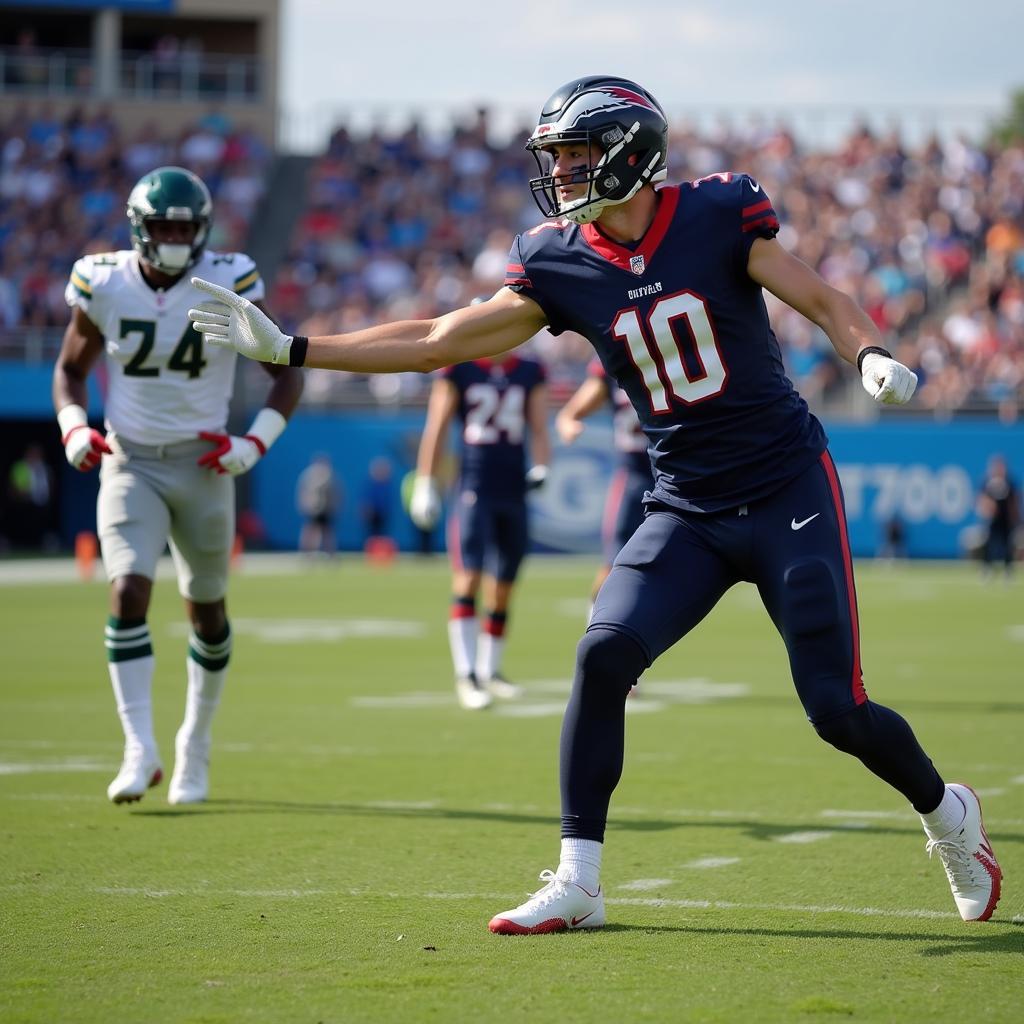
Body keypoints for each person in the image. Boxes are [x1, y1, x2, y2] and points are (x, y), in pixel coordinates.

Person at [187, 76, 1002, 928]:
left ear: (631, 152)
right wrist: (294, 346)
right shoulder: (559, 259)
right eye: (559, 158)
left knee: (838, 710)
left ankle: (948, 816)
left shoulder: (719, 212)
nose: (564, 174)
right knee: (602, 652)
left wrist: (867, 350)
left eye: (577, 154)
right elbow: (437, 341)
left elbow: (823, 298)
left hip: (783, 486)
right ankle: (579, 880)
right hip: (686, 504)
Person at [54, 166, 303, 806]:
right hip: (130, 459)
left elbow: (285, 367)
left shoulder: (229, 276)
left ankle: (195, 741)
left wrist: (255, 443)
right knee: (128, 589)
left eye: (184, 227)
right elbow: (69, 370)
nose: (173, 237)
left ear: (204, 231)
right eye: (162, 226)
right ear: (139, 228)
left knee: (207, 608)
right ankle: (139, 748)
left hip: (203, 463)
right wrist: (74, 426)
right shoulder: (102, 280)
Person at [408, 351, 551, 709]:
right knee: (468, 577)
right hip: (474, 486)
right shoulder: (459, 369)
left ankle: (491, 670)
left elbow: (537, 426)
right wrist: (426, 480)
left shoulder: (530, 370)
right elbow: (437, 426)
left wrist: (543, 465)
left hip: (513, 488)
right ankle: (466, 674)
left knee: (503, 587)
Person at [556, 359, 654, 620]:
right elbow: (570, 413)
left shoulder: (674, 357)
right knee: (615, 561)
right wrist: (569, 424)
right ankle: (595, 626)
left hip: (678, 477)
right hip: (634, 476)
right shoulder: (612, 362)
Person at [976, 454, 1019, 580]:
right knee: (989, 544)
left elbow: (1014, 501)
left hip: (1006, 519)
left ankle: (1008, 570)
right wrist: (986, 510)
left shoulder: (1009, 482)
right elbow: (982, 499)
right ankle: (987, 568)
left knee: (1008, 544)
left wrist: (1015, 518)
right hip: (993, 519)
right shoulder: (988, 482)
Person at [296, 452, 341, 556]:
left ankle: (330, 554)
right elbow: (303, 492)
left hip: (326, 509)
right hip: (313, 509)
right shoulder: (309, 475)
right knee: (311, 532)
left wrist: (335, 506)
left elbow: (337, 493)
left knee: (327, 533)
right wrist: (304, 505)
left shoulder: (330, 475)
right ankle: (307, 554)